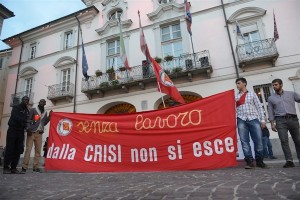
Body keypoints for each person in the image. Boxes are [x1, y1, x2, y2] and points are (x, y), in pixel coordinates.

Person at [235, 78, 267, 169]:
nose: (237, 85)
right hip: (241, 119)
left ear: (244, 83)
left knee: (258, 141)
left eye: (238, 83)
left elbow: (259, 107)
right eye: (236, 84)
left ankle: (260, 161)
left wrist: (263, 120)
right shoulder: (235, 97)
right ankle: (249, 162)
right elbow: (233, 110)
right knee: (244, 141)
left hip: (253, 119)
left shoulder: (252, 94)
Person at [267, 78, 300, 168]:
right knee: (284, 141)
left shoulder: (291, 94)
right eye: (273, 85)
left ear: (281, 85)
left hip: (293, 119)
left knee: (297, 140)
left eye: (276, 84)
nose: (274, 86)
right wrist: (272, 123)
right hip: (280, 120)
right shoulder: (271, 98)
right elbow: (270, 111)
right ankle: (289, 160)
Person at [22, 99, 51, 173]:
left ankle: (36, 167)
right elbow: (28, 120)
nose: (42, 103)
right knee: (28, 150)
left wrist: (49, 117)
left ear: (45, 104)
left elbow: (44, 123)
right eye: (41, 101)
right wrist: (28, 128)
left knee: (38, 151)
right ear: (39, 102)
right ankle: (24, 167)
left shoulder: (45, 112)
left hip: (39, 133)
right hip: (31, 133)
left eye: (44, 102)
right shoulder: (33, 110)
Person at [3, 96, 30, 174]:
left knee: (18, 149)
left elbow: (27, 121)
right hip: (13, 129)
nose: (26, 101)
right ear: (22, 100)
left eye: (28, 100)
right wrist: (25, 121)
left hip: (21, 131)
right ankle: (6, 167)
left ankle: (14, 168)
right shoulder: (16, 107)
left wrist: (27, 125)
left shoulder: (27, 110)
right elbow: (15, 117)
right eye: (25, 99)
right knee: (10, 148)